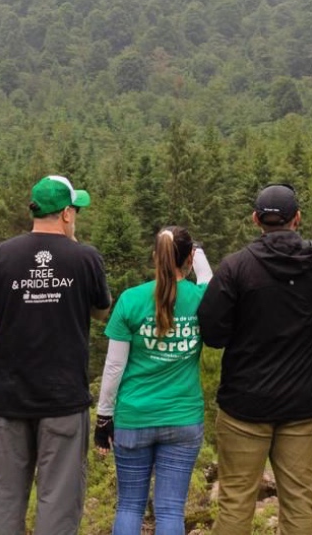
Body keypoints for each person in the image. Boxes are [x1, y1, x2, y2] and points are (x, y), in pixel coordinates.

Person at [198, 182, 312, 535]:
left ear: (256, 219)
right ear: (297, 219)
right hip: (301, 406)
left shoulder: (235, 268)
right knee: (300, 503)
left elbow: (212, 333)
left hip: (244, 404)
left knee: (236, 501)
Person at [0, 175, 112, 535]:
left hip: (10, 398)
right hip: (64, 399)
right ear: (66, 213)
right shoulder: (85, 257)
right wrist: (74, 247)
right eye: (74, 210)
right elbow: (101, 311)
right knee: (59, 504)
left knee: (1, 502)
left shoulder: (0, 254)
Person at [95, 227, 209, 535]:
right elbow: (212, 282)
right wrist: (199, 259)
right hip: (183, 417)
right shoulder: (201, 298)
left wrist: (104, 416)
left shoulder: (131, 300)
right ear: (187, 258)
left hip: (134, 416)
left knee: (129, 506)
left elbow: (114, 366)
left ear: (154, 256)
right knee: (171, 509)